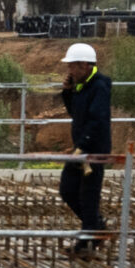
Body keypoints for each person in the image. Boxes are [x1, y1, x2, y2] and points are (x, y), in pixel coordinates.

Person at [52, 42, 112, 254]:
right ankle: (96, 226)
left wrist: (83, 145)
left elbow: (97, 120)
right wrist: (67, 93)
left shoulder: (100, 86)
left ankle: (86, 243)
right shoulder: (82, 86)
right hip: (81, 150)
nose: (70, 70)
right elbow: (76, 114)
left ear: (85, 65)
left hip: (93, 152)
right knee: (67, 190)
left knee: (88, 198)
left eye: (73, 66)